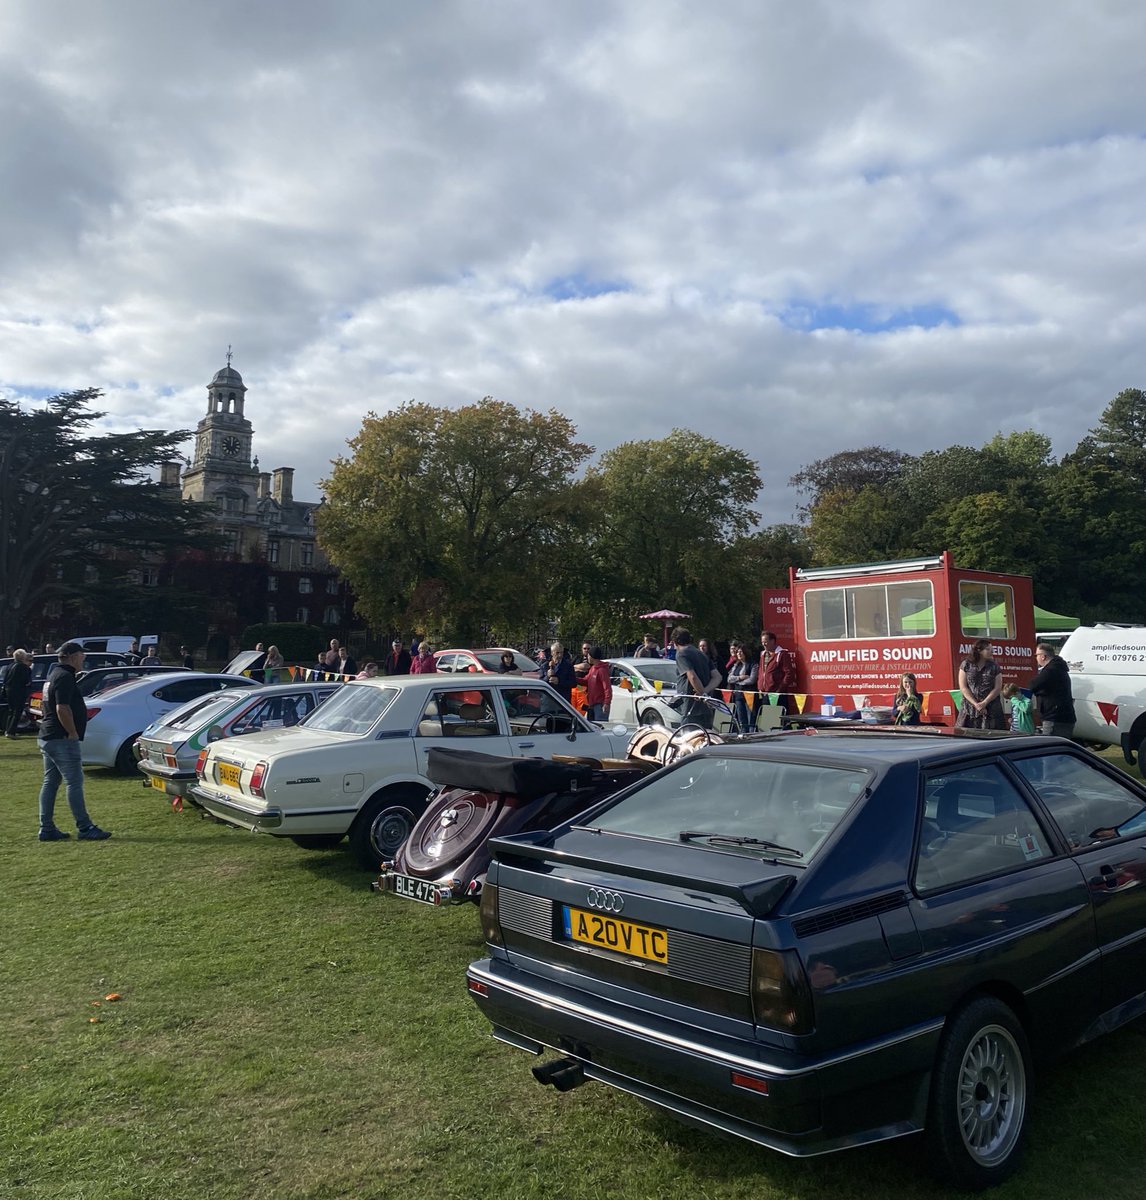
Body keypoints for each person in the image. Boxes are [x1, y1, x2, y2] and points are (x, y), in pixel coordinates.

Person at [36, 643, 111, 842]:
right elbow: (62, 708)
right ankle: (85, 827)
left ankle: (47, 828)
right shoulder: (65, 677)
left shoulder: (53, 675)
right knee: (74, 782)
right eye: (81, 655)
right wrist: (72, 732)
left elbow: (46, 706)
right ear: (72, 656)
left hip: (48, 735)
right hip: (61, 738)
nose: (83, 659)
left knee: (50, 782)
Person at [1029, 641, 1076, 738]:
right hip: (1064, 716)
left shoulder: (1051, 670)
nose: (1036, 658)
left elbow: (1033, 685)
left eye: (1036, 655)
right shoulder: (1059, 667)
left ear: (1043, 656)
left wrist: (1039, 692)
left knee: (1050, 746)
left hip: (1054, 717)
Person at [673, 627, 716, 728]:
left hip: (690, 708)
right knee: (706, 740)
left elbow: (692, 676)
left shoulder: (681, 654)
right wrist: (705, 692)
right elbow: (717, 677)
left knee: (689, 740)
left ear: (675, 642)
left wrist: (702, 694)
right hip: (706, 709)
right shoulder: (701, 654)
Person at [957, 638, 1005, 730]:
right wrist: (976, 704)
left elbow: (997, 688)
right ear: (979, 651)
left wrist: (984, 703)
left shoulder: (994, 666)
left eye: (992, 649)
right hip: (969, 709)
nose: (991, 652)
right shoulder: (966, 664)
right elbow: (963, 687)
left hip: (991, 708)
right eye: (988, 649)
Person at [758, 630, 797, 718]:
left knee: (779, 718)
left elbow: (789, 673)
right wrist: (760, 686)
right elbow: (761, 671)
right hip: (765, 692)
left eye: (766, 642)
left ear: (772, 641)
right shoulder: (763, 654)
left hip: (777, 693)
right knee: (768, 719)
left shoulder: (782, 654)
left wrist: (779, 689)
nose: (764, 644)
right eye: (762, 642)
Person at [726, 644, 757, 732]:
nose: (738, 654)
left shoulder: (753, 664)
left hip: (749, 695)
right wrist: (740, 678)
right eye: (737, 652)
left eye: (740, 652)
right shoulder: (736, 665)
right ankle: (743, 733)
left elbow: (752, 680)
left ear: (745, 652)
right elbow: (729, 679)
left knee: (750, 717)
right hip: (738, 695)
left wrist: (738, 682)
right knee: (741, 718)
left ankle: (751, 735)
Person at [4, 648, 33, 738]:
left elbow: (5, 679)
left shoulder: (10, 666)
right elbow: (27, 681)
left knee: (11, 711)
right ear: (22, 657)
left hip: (9, 690)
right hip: (19, 691)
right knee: (17, 712)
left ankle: (8, 730)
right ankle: (11, 732)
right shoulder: (23, 667)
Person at [583, 646, 612, 721]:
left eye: (588, 655)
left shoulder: (602, 670)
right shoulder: (593, 668)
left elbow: (607, 688)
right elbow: (586, 680)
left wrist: (606, 703)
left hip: (600, 705)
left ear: (592, 656)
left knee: (600, 726)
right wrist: (573, 678)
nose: (587, 657)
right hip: (591, 704)